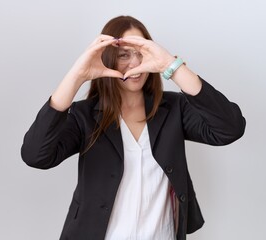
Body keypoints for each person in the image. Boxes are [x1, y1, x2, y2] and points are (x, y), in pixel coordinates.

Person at [20, 15, 246, 240]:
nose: (135, 64)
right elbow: (36, 155)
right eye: (123, 55)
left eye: (141, 53)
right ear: (108, 58)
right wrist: (77, 76)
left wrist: (172, 66)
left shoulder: (174, 108)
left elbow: (230, 128)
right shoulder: (84, 115)